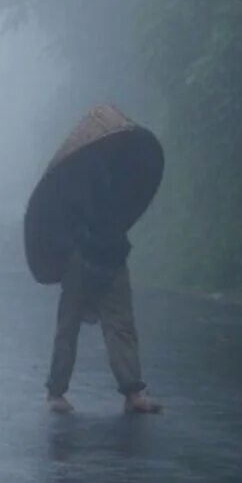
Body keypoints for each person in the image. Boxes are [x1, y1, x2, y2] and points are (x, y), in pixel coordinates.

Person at [45, 157, 162, 415]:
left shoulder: (118, 169)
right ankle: (56, 391)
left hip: (111, 253)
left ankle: (132, 391)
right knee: (70, 324)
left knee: (119, 324)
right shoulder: (76, 176)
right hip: (82, 256)